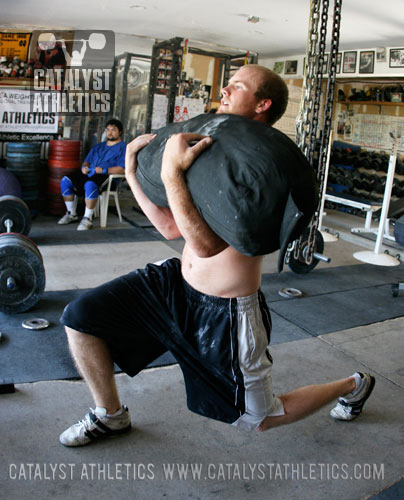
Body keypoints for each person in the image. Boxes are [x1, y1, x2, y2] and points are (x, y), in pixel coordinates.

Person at [59, 64, 375, 446]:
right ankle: (110, 416)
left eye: (237, 86)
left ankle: (354, 384)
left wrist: (172, 173)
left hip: (225, 312)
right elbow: (171, 228)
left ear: (263, 104)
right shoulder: (211, 148)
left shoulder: (258, 167)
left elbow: (209, 246)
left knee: (259, 418)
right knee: (80, 319)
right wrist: (130, 173)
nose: (224, 89)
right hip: (175, 283)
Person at [58, 119, 126, 230]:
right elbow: (87, 161)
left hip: (107, 176)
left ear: (120, 132)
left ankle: (87, 219)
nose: (110, 132)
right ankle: (71, 214)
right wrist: (84, 167)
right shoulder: (98, 146)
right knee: (66, 181)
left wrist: (104, 170)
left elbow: (123, 169)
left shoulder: (124, 148)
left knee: (90, 184)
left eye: (113, 130)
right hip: (90, 173)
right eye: (108, 129)